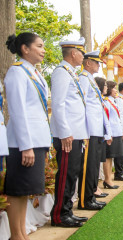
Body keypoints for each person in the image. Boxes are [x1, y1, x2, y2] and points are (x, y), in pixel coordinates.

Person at [4, 33, 51, 237]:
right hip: (23, 143)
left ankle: (21, 233)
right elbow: (17, 111)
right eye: (39, 46)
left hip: (35, 140)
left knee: (25, 191)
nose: (43, 50)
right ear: (25, 48)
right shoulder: (17, 72)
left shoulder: (33, 72)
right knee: (17, 190)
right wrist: (26, 146)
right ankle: (16, 235)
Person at [50, 37, 89, 227]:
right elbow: (58, 105)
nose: (83, 56)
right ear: (73, 53)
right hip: (68, 135)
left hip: (75, 133)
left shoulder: (71, 73)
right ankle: (59, 214)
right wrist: (65, 132)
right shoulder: (61, 73)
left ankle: (67, 210)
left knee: (72, 173)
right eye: (81, 53)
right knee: (66, 174)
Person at [78, 51, 112, 210]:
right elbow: (82, 104)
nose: (99, 65)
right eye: (96, 62)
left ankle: (90, 197)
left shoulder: (90, 79)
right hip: (90, 129)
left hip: (97, 129)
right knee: (88, 166)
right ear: (88, 63)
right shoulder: (84, 79)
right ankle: (85, 200)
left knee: (93, 166)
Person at [103, 81, 123, 187]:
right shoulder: (106, 101)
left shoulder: (113, 101)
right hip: (111, 132)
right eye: (114, 88)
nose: (116, 90)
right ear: (109, 89)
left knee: (112, 156)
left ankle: (109, 179)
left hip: (116, 132)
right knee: (108, 156)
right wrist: (109, 134)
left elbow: (117, 118)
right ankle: (107, 179)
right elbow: (107, 118)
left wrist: (121, 130)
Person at [93, 77, 111, 198]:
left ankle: (95, 187)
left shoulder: (102, 99)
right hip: (94, 132)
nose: (106, 88)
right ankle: (93, 189)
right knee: (93, 163)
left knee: (97, 162)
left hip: (101, 133)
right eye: (104, 85)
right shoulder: (99, 98)